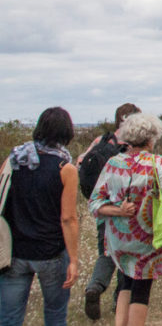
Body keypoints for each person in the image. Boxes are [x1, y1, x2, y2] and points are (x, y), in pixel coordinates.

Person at [89, 112, 162, 326]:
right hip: (147, 238)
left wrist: (119, 211)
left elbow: (95, 203)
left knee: (126, 283)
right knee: (141, 289)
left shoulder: (113, 163)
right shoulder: (158, 163)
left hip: (118, 239)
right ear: (152, 138)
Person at [0, 107, 79, 326]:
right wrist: (73, 259)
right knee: (55, 316)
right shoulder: (66, 168)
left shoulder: (12, 161)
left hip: (15, 252)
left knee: (9, 318)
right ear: (66, 133)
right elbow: (68, 218)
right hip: (51, 252)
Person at [81, 102, 138, 320]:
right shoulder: (134, 145)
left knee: (105, 254)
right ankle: (120, 300)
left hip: (103, 208)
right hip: (126, 209)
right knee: (127, 256)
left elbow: (81, 164)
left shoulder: (101, 141)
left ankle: (95, 287)